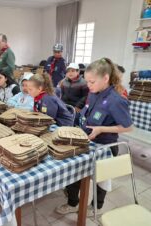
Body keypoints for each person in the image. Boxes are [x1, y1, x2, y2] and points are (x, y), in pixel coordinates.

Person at [55, 58, 132, 216]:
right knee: (74, 172)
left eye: (91, 82)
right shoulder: (94, 92)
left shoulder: (116, 100)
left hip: (104, 146)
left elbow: (128, 127)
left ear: (105, 78)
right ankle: (73, 203)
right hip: (86, 141)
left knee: (100, 181)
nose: (88, 85)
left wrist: (101, 129)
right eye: (87, 81)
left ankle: (96, 206)